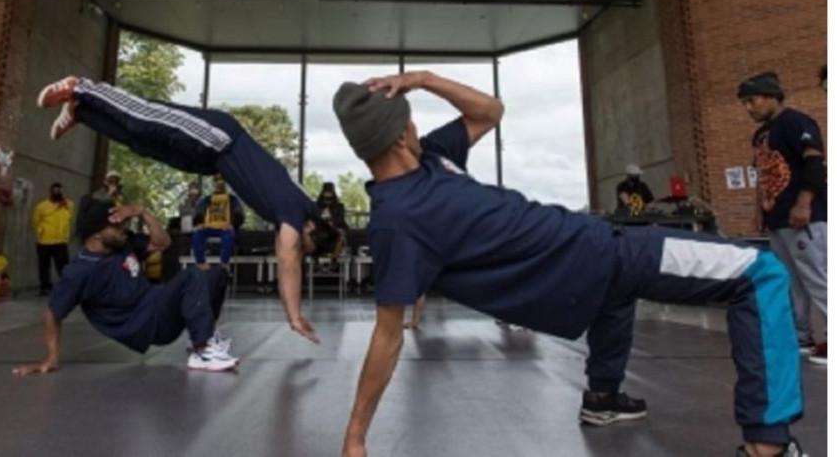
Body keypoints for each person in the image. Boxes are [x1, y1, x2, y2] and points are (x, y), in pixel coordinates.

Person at [333, 72, 804, 457]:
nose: (417, 129)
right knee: (759, 272)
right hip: (600, 256)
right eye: (411, 123)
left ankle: (603, 397)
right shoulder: (398, 219)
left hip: (592, 250)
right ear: (401, 136)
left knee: (615, 298)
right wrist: (355, 438)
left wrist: (424, 79)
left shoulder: (434, 158)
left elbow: (490, 111)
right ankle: (767, 442)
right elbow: (388, 334)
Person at [36, 76, 338, 343]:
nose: (296, 246)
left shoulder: (300, 211)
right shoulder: (294, 211)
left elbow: (294, 258)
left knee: (142, 143)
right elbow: (289, 261)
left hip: (210, 160)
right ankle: (81, 87)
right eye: (303, 243)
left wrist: (294, 310)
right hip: (219, 137)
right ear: (310, 227)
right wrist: (295, 316)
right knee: (144, 119)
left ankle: (82, 112)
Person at [12, 197, 239, 374]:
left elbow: (163, 242)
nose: (123, 230)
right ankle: (203, 350)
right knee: (191, 275)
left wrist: (142, 212)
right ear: (97, 234)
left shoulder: (122, 243)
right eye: (117, 226)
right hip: (146, 323)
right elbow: (53, 313)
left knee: (216, 274)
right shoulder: (80, 271)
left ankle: (203, 336)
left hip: (158, 305)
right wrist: (51, 358)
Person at [740, 71, 827, 366]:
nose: (748, 108)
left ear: (771, 97)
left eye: (752, 100)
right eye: (744, 103)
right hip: (777, 219)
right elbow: (762, 176)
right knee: (790, 281)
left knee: (818, 276)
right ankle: (802, 335)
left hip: (804, 216)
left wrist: (804, 203)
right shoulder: (761, 135)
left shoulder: (797, 122)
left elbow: (814, 164)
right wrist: (759, 212)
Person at [192, 174, 244, 270]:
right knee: (197, 235)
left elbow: (239, 214)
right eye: (216, 181)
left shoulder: (232, 199)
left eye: (221, 181)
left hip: (225, 228)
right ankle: (201, 262)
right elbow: (199, 212)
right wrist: (199, 223)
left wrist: (233, 224)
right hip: (208, 228)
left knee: (229, 236)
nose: (219, 183)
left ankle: (224, 263)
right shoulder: (207, 200)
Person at [32, 182, 74, 296]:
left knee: (63, 266)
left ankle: (66, 286)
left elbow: (69, 218)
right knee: (44, 266)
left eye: (59, 190)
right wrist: (41, 231)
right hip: (44, 241)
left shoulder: (68, 205)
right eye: (54, 190)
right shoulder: (42, 206)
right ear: (50, 192)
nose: (57, 192)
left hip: (60, 241)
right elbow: (35, 221)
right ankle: (45, 287)